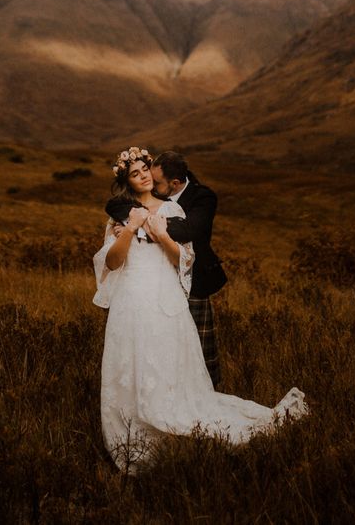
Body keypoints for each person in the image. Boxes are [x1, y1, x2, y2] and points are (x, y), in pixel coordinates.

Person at [93, 146, 308, 472]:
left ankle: (175, 431)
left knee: (167, 365)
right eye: (136, 173)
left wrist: (162, 234)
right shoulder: (121, 215)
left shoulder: (172, 211)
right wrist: (132, 227)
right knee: (130, 365)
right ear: (127, 181)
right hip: (132, 299)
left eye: (146, 168)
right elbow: (111, 261)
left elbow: (184, 260)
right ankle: (133, 433)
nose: (144, 175)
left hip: (165, 298)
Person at [105, 150, 226, 387]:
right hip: (146, 289)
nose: (148, 179)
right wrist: (132, 224)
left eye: (152, 177)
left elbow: (188, 231)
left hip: (196, 280)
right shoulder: (131, 205)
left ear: (175, 183)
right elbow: (115, 205)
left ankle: (206, 394)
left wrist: (140, 229)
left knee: (196, 350)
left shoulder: (202, 197)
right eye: (137, 173)